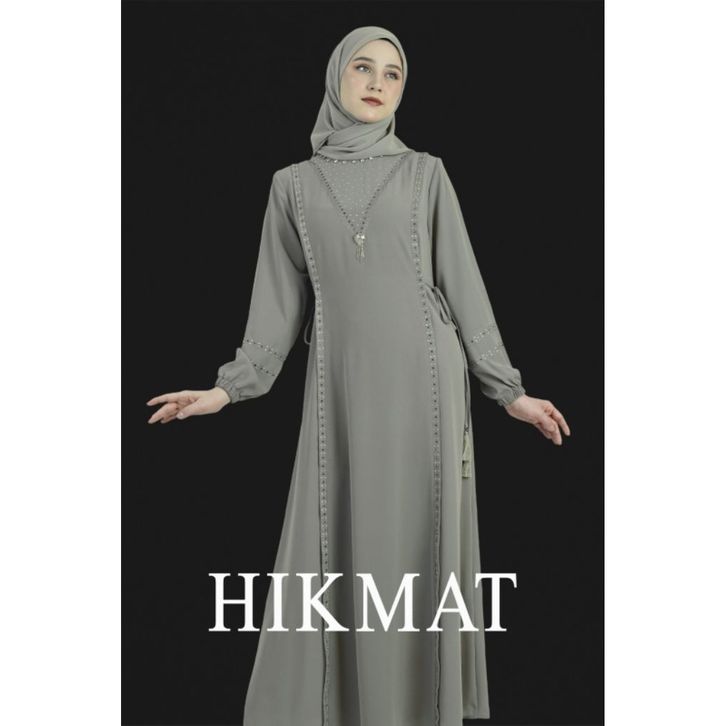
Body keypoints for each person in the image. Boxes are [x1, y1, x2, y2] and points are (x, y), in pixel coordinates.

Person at [147, 25, 570, 726]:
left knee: (416, 551)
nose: (377, 83)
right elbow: (276, 311)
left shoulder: (426, 173)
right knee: (343, 544)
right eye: (363, 68)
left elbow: (464, 288)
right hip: (340, 392)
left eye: (393, 73)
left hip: (428, 387)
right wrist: (226, 388)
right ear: (336, 76)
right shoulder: (291, 187)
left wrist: (511, 392)